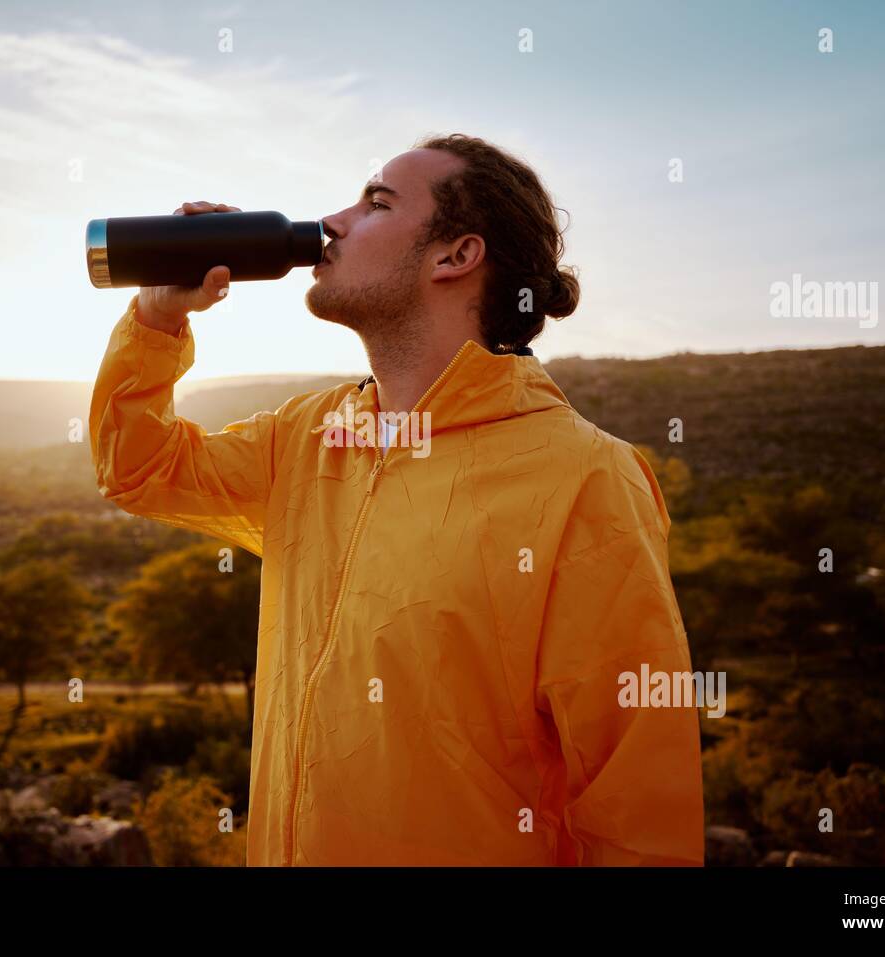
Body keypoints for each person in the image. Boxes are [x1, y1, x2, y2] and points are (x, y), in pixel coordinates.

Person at [89, 133, 704, 866]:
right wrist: (157, 319)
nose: (334, 221)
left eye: (376, 202)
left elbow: (634, 802)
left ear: (456, 256)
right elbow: (138, 467)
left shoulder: (587, 479)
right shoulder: (310, 437)